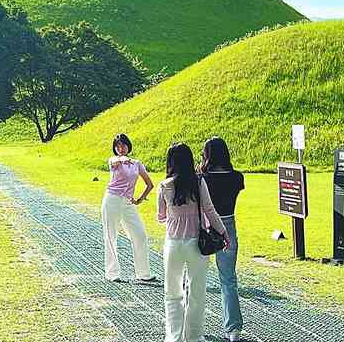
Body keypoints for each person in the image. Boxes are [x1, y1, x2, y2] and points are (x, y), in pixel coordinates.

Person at [158, 143, 229, 342]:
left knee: (172, 293)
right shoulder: (199, 182)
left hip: (173, 244)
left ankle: (174, 337)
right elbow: (210, 210)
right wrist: (223, 232)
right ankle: (194, 336)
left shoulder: (164, 186)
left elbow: (161, 216)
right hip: (196, 244)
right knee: (197, 293)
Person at [197, 137, 245, 342]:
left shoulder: (202, 178)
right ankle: (233, 329)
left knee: (194, 279)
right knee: (228, 280)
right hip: (229, 226)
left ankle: (192, 326)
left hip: (205, 227)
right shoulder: (236, 177)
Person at [102, 133, 157, 283]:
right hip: (112, 200)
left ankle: (143, 273)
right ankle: (112, 273)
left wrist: (139, 199)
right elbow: (116, 161)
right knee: (111, 236)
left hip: (128, 203)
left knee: (140, 235)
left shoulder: (137, 164)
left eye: (123, 145)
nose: (120, 148)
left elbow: (150, 184)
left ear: (128, 146)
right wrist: (122, 158)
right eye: (117, 146)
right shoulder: (113, 160)